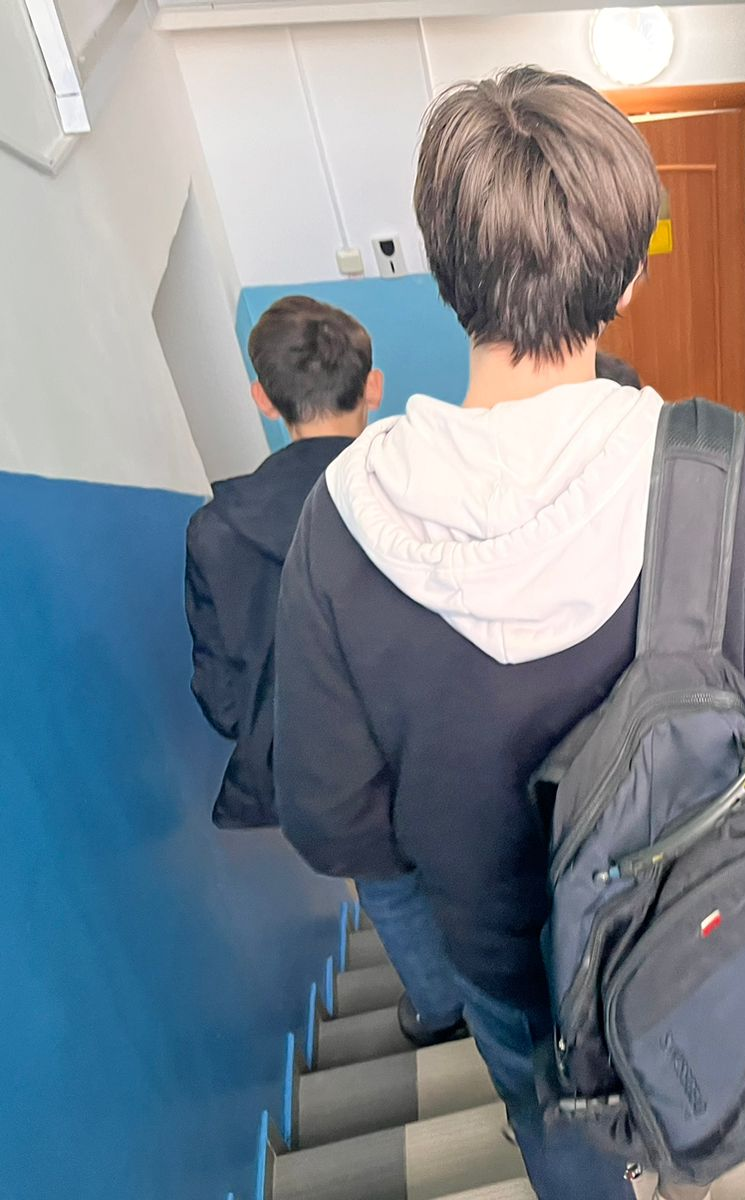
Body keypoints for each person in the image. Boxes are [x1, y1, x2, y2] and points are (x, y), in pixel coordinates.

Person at [270, 67, 745, 1200]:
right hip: (688, 933)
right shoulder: (719, 472)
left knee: (553, 1126)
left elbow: (330, 818)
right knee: (686, 1066)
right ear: (626, 280)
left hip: (507, 968)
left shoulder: (341, 523)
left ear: (443, 272)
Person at [184, 296, 467, 1049]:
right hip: (448, 747)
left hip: (330, 776)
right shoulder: (428, 490)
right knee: (483, 871)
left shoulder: (217, 532)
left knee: (391, 892)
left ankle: (442, 1010)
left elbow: (223, 697)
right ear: (374, 386)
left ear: (262, 398)